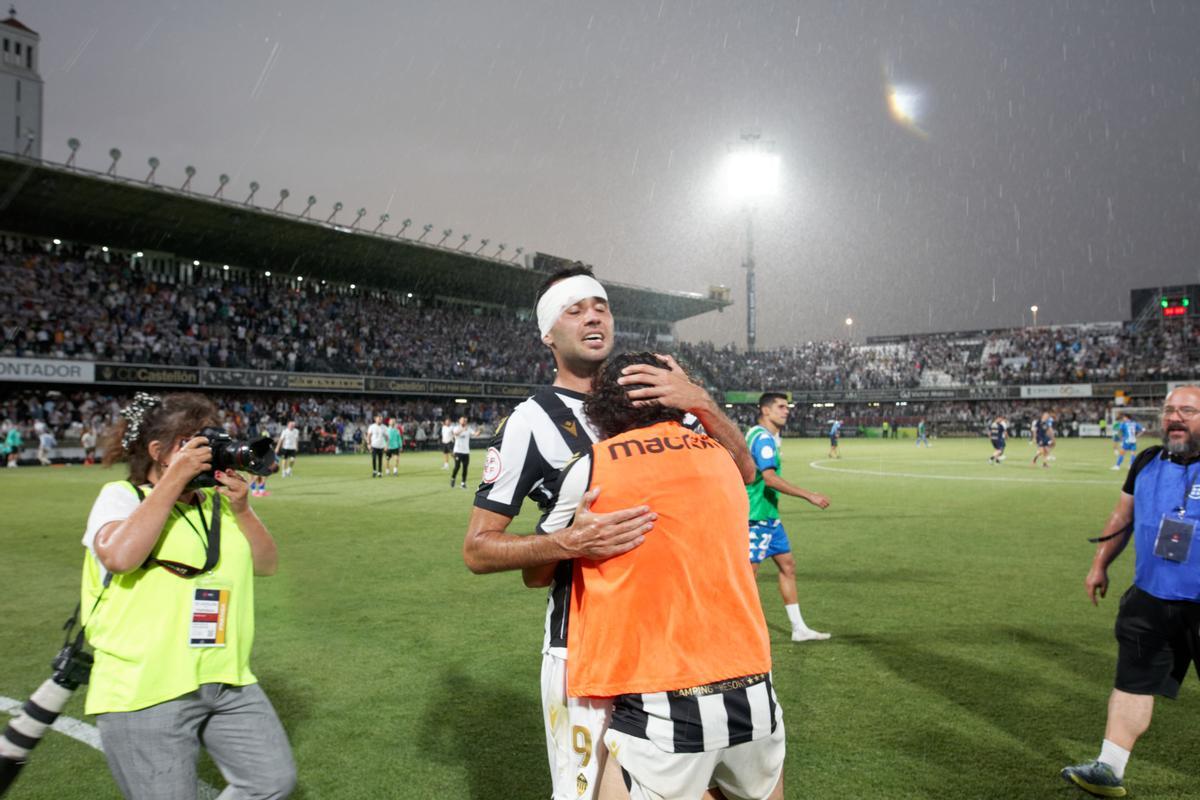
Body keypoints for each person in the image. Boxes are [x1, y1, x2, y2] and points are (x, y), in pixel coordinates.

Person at [462, 264, 751, 800]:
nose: (593, 315)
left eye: (601, 306)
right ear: (549, 333)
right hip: (585, 648)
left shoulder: (657, 395)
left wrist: (702, 402)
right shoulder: (531, 420)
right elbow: (478, 549)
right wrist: (568, 541)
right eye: (575, 309)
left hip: (682, 644)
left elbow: (744, 472)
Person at [528, 353, 780, 800]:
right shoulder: (723, 456)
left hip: (664, 698)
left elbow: (535, 573)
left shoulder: (593, 466)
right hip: (755, 692)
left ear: (603, 407)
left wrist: (574, 539)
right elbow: (750, 470)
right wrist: (701, 402)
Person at [81, 392, 295, 800]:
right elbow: (121, 556)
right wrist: (174, 481)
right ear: (158, 452)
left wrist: (244, 511)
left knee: (270, 782)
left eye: (207, 439)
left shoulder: (215, 504)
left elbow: (266, 564)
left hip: (225, 677)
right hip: (146, 687)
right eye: (190, 442)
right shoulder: (122, 497)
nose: (205, 450)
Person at [1061, 387, 1200, 798]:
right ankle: (1109, 767)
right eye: (1169, 410)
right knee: (1132, 683)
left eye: (1188, 410)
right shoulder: (1145, 461)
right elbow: (1122, 516)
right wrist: (1099, 563)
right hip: (1151, 598)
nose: (1175, 417)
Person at [746, 392, 832, 642]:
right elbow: (770, 478)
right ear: (765, 410)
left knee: (788, 566)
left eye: (787, 406)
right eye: (781, 407)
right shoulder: (762, 438)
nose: (787, 411)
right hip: (756, 516)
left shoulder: (763, 436)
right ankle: (738, 631)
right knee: (747, 576)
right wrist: (809, 495)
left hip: (769, 516)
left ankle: (798, 628)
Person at [450, 416, 474, 489]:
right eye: (462, 420)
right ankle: (453, 478)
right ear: (459, 421)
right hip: (457, 451)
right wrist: (463, 430)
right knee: (457, 467)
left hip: (466, 452)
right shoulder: (456, 428)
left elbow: (475, 434)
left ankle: (463, 483)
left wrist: (479, 431)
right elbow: (455, 434)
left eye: (465, 420)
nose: (464, 421)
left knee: (465, 468)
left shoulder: (468, 428)